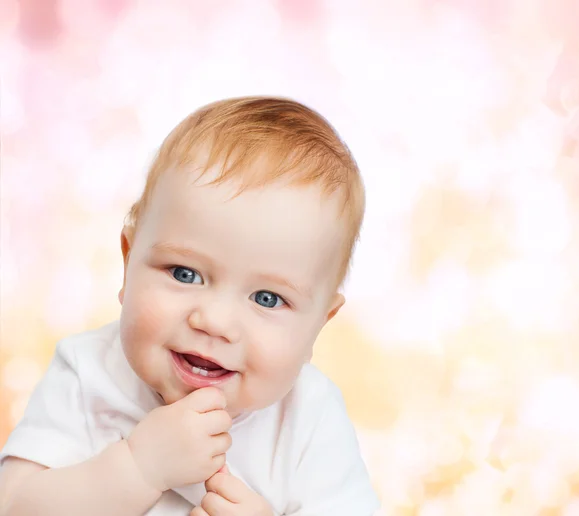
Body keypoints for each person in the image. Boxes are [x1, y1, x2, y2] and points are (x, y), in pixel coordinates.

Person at [0, 96, 379, 515]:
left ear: (318, 327)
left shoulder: (310, 420)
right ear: (128, 264)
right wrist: (137, 469)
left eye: (267, 298)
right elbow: (13, 505)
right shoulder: (87, 373)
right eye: (185, 273)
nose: (214, 322)